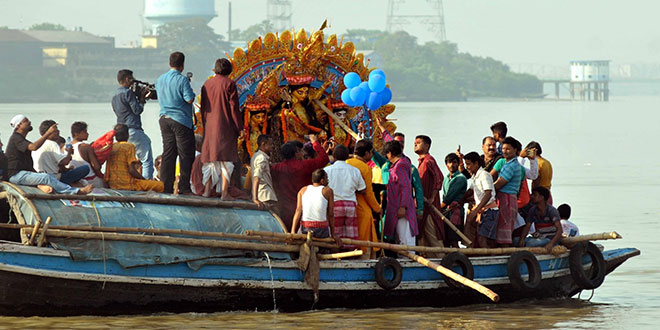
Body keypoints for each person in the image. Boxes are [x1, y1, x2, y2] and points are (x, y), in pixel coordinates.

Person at [6, 115, 93, 195]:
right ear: (18, 126)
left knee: (47, 177)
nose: (29, 122)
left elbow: (29, 164)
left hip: (24, 173)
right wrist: (48, 133)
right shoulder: (16, 138)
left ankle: (47, 186)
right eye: (26, 121)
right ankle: (76, 192)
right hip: (16, 175)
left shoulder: (22, 141)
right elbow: (33, 147)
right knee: (46, 177)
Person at [200, 58, 243, 199]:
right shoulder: (229, 84)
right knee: (226, 161)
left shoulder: (207, 84)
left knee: (211, 160)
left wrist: (205, 125)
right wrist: (239, 128)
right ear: (229, 70)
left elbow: (203, 108)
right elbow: (234, 109)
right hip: (225, 127)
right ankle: (224, 193)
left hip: (210, 127)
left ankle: (207, 191)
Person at [156, 51, 196, 194]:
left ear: (169, 63)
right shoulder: (182, 80)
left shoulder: (160, 79)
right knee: (186, 154)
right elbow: (189, 99)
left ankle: (165, 186)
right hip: (181, 120)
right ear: (182, 65)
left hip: (164, 119)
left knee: (168, 153)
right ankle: (184, 187)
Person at [271, 134, 329, 231]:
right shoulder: (304, 165)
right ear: (296, 153)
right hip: (306, 210)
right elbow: (324, 159)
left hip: (285, 210)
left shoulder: (276, 168)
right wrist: (315, 142)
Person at [112, 69, 154, 180]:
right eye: (131, 79)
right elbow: (137, 110)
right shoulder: (127, 93)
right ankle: (148, 184)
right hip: (133, 129)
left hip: (122, 133)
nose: (132, 82)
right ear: (127, 79)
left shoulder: (115, 96)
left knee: (129, 161)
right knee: (146, 159)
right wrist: (142, 99)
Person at [324, 145, 366, 249]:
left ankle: (336, 255)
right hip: (350, 205)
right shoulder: (355, 170)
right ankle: (351, 255)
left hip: (334, 204)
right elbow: (363, 189)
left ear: (333, 156)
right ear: (348, 157)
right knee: (351, 236)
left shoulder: (327, 170)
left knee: (335, 234)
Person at [346, 139, 381, 258]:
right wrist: (377, 208)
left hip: (347, 206)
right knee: (365, 239)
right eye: (371, 153)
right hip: (362, 208)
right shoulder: (365, 168)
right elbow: (368, 193)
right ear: (367, 153)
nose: (371, 156)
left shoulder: (346, 162)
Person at [290, 169, 343, 247]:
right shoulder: (328, 191)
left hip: (305, 228)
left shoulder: (303, 190)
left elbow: (298, 211)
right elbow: (330, 214)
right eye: (326, 178)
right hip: (321, 229)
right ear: (322, 180)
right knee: (326, 249)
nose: (327, 181)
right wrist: (333, 233)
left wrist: (292, 231)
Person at [105, 124, 164, 192]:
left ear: (115, 137)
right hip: (128, 184)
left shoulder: (111, 147)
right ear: (127, 135)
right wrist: (143, 179)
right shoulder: (129, 146)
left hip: (113, 184)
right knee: (160, 185)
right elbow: (132, 170)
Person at [413, 135, 445, 255]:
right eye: (415, 142)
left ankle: (443, 261)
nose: (415, 144)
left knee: (433, 235)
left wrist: (432, 197)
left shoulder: (429, 161)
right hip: (421, 207)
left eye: (419, 142)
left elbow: (439, 178)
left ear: (427, 146)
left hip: (430, 207)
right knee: (423, 237)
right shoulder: (420, 164)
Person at [32, 120, 89, 185]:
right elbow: (65, 162)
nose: (58, 132)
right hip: (54, 178)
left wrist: (67, 169)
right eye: (55, 130)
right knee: (85, 168)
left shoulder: (37, 144)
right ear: (49, 132)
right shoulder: (52, 144)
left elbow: (59, 165)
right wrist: (69, 152)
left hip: (39, 176)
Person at [382, 141, 418, 246]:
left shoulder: (399, 166)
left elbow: (405, 186)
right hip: (397, 208)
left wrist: (403, 207)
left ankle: (409, 261)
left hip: (401, 209)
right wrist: (381, 128)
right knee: (400, 239)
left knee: (405, 240)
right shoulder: (405, 161)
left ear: (390, 153)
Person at [463, 152, 499, 248]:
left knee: (482, 238)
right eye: (466, 164)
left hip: (489, 211)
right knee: (478, 238)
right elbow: (470, 191)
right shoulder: (475, 177)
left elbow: (488, 194)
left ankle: (489, 260)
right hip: (482, 211)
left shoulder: (484, 175)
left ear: (476, 164)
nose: (467, 167)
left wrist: (475, 210)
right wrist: (459, 201)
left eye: (469, 164)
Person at [492, 136, 523, 246]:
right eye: (503, 149)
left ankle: (505, 255)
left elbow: (499, 184)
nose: (505, 151)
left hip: (507, 199)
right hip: (506, 199)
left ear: (515, 150)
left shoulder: (512, 165)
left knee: (504, 231)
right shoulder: (507, 163)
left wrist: (486, 190)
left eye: (508, 149)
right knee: (502, 229)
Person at [517, 187, 563, 252]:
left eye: (535, 195)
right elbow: (527, 226)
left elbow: (559, 230)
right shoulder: (533, 210)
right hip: (539, 237)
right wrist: (522, 239)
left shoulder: (552, 211)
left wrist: (551, 244)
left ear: (542, 197)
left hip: (549, 238)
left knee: (531, 244)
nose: (532, 197)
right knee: (516, 241)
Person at [440, 153, 468, 248]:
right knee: (445, 240)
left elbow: (449, 197)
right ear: (446, 164)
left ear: (458, 163)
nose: (452, 165)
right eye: (449, 162)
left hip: (455, 212)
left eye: (454, 162)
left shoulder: (460, 178)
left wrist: (439, 208)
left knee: (454, 240)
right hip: (446, 212)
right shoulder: (446, 178)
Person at [69, 121, 105, 187]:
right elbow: (96, 167)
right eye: (85, 132)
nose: (87, 134)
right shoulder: (86, 147)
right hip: (90, 179)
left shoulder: (65, 147)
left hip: (75, 180)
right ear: (77, 134)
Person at [250, 134, 278, 213]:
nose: (272, 146)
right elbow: (256, 177)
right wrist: (255, 198)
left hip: (263, 194)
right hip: (265, 195)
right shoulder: (261, 158)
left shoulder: (256, 156)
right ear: (263, 144)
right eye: (270, 144)